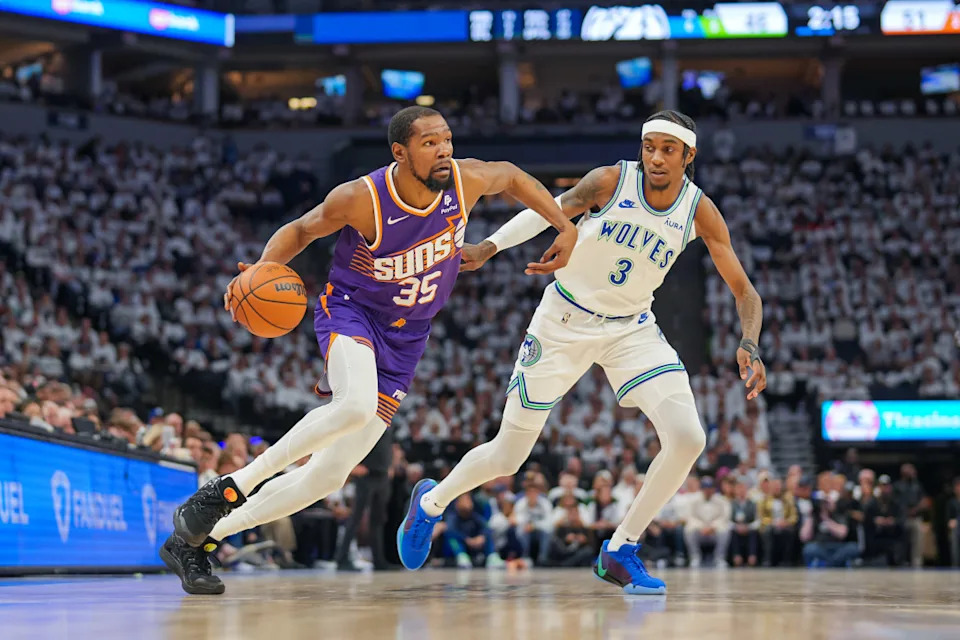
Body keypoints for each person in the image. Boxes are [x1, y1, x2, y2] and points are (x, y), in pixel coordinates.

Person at [160, 106, 577, 595]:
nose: (444, 150)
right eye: (429, 143)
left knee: (327, 477)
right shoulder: (363, 197)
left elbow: (513, 178)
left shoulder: (465, 180)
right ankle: (226, 489)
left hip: (408, 337)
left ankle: (198, 539)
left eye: (447, 139)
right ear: (400, 153)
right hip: (353, 312)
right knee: (354, 406)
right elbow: (301, 229)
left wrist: (563, 226)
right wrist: (259, 268)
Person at [398, 110, 767, 595]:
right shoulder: (611, 180)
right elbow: (549, 209)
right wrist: (489, 246)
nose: (656, 157)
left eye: (668, 150)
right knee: (508, 456)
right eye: (650, 146)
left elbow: (745, 291)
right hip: (564, 320)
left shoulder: (699, 211)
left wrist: (749, 342)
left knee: (688, 437)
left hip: (632, 328)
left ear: (688, 156)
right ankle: (430, 503)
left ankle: (621, 549)